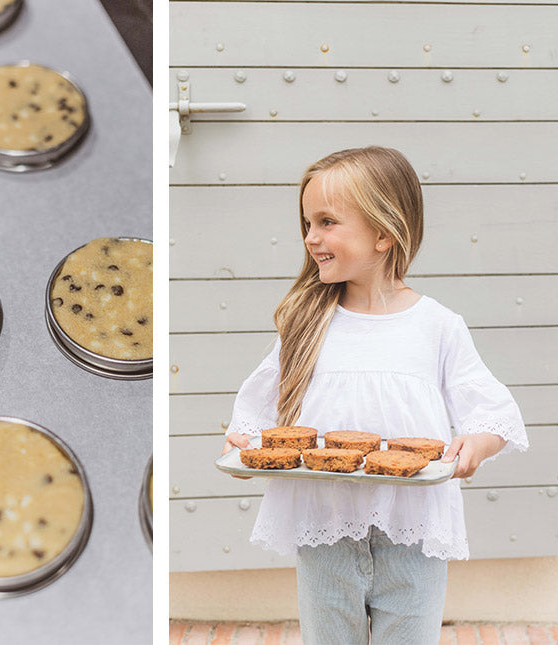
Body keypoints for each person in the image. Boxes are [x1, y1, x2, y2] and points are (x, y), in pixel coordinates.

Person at [220, 146, 528, 643]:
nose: (310, 237)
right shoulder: (306, 323)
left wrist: (479, 443)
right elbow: (257, 410)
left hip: (413, 536)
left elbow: (489, 407)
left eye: (326, 222)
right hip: (326, 530)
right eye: (307, 222)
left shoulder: (436, 327)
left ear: (384, 233)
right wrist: (243, 439)